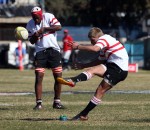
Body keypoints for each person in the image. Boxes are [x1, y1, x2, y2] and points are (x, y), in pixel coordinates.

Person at [57, 27, 129, 120]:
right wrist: (83, 65)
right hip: (112, 66)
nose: (92, 42)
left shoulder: (104, 38)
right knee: (93, 70)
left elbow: (95, 49)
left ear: (98, 37)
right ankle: (73, 80)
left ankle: (83, 114)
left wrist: (78, 46)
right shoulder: (104, 45)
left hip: (119, 69)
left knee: (100, 91)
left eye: (93, 40)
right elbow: (99, 60)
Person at [26, 6, 65, 110]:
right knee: (38, 76)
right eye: (33, 16)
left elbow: (59, 27)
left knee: (58, 77)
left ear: (41, 14)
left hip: (53, 50)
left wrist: (44, 29)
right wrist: (35, 35)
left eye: (37, 16)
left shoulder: (48, 16)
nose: (35, 18)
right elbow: (31, 41)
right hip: (40, 52)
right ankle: (39, 103)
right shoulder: (29, 24)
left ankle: (57, 102)